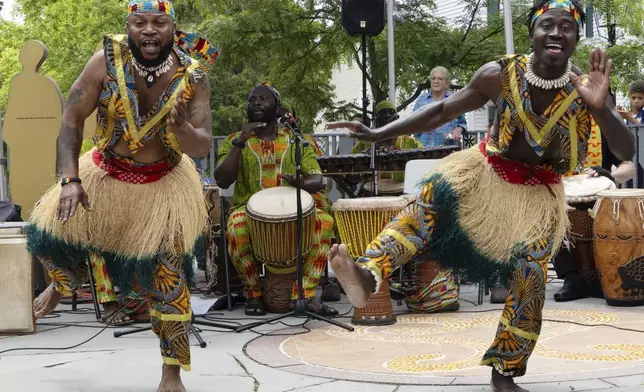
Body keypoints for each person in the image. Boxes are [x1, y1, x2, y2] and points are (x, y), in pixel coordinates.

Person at [326, 1, 635, 391]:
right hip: (486, 172)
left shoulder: (585, 88)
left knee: (531, 278)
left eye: (566, 28)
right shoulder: (499, 74)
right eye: (547, 25)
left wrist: (601, 109)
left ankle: (504, 373)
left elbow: (625, 152)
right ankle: (368, 275)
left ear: (575, 39)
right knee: (429, 204)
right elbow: (440, 111)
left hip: (538, 194)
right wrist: (377, 135)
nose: (556, 32)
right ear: (532, 34)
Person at [26, 1, 218, 390]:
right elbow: (71, 118)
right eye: (140, 22)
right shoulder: (104, 62)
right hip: (106, 171)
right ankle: (65, 283)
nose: (149, 30)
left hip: (163, 182)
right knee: (46, 234)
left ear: (172, 27)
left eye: (158, 22)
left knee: (169, 280)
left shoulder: (194, 76)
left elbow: (201, 147)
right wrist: (70, 179)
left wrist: (182, 130)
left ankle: (171, 373)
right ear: (128, 26)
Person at [215, 82, 338, 317]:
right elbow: (222, 180)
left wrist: (298, 183)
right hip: (249, 211)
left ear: (278, 106)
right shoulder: (234, 140)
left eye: (264, 99)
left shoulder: (296, 141)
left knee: (324, 221)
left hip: (294, 210)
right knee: (235, 226)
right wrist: (240, 142)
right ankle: (254, 294)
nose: (257, 103)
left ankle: (304, 296)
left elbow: (317, 179)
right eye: (252, 100)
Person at [554, 116, 637, 301]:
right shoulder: (553, 129)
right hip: (561, 198)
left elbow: (629, 167)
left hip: (599, 203)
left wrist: (610, 175)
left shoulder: (603, 128)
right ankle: (571, 277)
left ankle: (598, 275)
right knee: (544, 215)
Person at [413, 66, 468, 147]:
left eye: (440, 79)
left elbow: (462, 123)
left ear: (447, 82)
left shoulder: (454, 100)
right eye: (433, 78)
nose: (436, 81)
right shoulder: (422, 100)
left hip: (448, 148)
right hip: (424, 148)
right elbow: (413, 122)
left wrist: (458, 129)